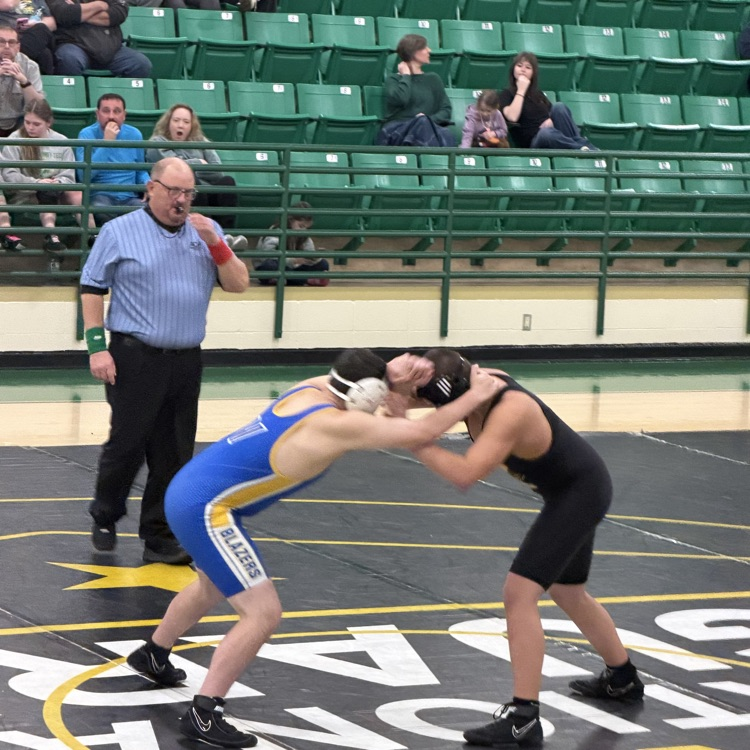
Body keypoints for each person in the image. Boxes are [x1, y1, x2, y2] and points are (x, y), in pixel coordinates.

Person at [124, 348, 500, 749]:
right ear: (368, 393)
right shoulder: (334, 424)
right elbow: (421, 434)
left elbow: (377, 403)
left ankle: (153, 653)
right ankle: (204, 712)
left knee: (211, 586)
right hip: (207, 509)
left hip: (190, 490)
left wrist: (393, 382)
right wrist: (476, 395)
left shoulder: (313, 389)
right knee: (263, 613)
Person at [398, 348, 643, 748]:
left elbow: (466, 473)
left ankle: (524, 717)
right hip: (569, 489)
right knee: (568, 592)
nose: (443, 413)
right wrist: (392, 383)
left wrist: (412, 438)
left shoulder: (509, 409)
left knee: (519, 592)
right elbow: (407, 399)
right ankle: (623, 678)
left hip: (579, 493)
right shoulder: (471, 385)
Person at [80, 157, 249, 566]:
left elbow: (239, 284)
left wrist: (215, 243)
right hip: (134, 355)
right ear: (151, 189)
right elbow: (91, 287)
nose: (181, 200)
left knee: (174, 452)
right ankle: (105, 513)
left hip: (186, 359)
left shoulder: (206, 231)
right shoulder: (119, 231)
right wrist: (96, 347)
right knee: (127, 444)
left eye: (188, 192)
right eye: (174, 191)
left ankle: (159, 537)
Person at [145, 103, 248, 252]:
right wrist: (200, 163)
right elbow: (175, 170)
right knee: (192, 183)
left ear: (191, 125)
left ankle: (226, 236)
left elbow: (218, 170)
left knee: (227, 182)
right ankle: (203, 237)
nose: (180, 125)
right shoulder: (158, 142)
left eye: (186, 122)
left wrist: (191, 166)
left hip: (207, 190)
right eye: (176, 120)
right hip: (180, 194)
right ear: (168, 122)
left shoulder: (200, 141)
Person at [0, 99, 95, 255]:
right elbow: (9, 175)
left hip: (56, 191)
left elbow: (69, 176)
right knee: (45, 192)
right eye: (27, 122)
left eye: (36, 124)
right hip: (26, 193)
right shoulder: (15, 139)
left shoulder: (61, 141)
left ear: (48, 123)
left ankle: (92, 235)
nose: (30, 127)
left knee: (77, 194)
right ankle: (51, 236)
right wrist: (37, 183)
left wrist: (58, 182)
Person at [499, 51, 596, 151]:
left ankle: (585, 149)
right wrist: (521, 90)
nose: (523, 70)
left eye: (528, 67)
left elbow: (553, 113)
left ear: (533, 73)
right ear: (513, 69)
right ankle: (582, 148)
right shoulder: (507, 93)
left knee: (559, 107)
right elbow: (512, 117)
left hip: (554, 135)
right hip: (535, 141)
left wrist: (551, 120)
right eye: (519, 66)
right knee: (546, 133)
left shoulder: (538, 94)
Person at [76, 93, 149, 226]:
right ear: (97, 114)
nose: (111, 116)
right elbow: (84, 176)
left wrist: (147, 183)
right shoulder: (86, 134)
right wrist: (107, 143)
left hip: (129, 198)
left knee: (148, 212)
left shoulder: (135, 134)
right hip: (100, 196)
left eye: (117, 111)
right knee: (102, 211)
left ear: (124, 115)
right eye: (106, 111)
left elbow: (140, 170)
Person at [376, 33, 455, 147]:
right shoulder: (393, 79)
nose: (429, 50)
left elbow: (446, 111)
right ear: (412, 52)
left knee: (437, 129)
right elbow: (401, 100)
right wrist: (406, 76)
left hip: (428, 127)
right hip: (399, 130)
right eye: (424, 47)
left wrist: (427, 119)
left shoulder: (433, 78)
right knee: (422, 124)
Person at [47, 0, 151, 77]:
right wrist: (100, 4)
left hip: (111, 48)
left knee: (140, 64)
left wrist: (79, 13)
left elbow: (118, 13)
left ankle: (119, 100)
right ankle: (75, 98)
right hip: (75, 44)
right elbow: (64, 14)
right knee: (68, 59)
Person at [254, 201, 329, 287]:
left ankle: (289, 279)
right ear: (291, 220)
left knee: (323, 264)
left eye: (307, 228)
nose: (303, 230)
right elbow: (267, 256)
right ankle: (305, 280)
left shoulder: (305, 237)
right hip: (275, 266)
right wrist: (292, 261)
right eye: (301, 226)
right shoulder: (276, 231)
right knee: (269, 266)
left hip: (294, 268)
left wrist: (314, 257)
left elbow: (308, 255)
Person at [0, 21, 44, 137]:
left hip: (19, 122)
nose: (7, 46)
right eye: (1, 41)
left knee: (35, 122)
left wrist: (24, 81)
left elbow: (38, 106)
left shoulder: (30, 66)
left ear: (18, 47)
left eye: (11, 42)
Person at [0, 0, 57, 75]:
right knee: (44, 53)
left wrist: (34, 24)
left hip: (32, 35)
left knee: (42, 30)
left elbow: (52, 24)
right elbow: (8, 4)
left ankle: (17, 67)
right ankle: (15, 64)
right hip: (7, 35)